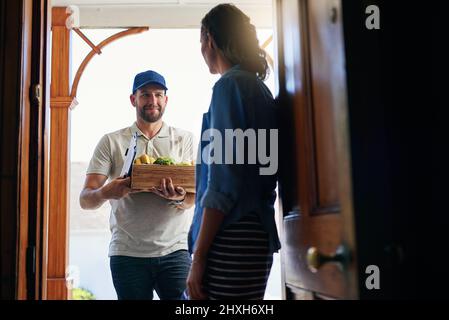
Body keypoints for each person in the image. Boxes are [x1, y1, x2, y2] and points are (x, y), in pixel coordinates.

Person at [186, 4, 280, 300]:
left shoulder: (228, 88)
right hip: (257, 233)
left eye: (200, 41)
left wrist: (198, 257)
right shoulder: (259, 90)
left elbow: (223, 184)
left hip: (230, 236)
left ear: (209, 39)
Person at [79, 70, 195, 300]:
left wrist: (178, 198)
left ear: (166, 100)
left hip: (175, 251)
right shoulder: (111, 141)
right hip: (127, 254)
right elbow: (85, 199)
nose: (153, 101)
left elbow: (195, 197)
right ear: (133, 99)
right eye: (145, 95)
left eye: (158, 94)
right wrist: (107, 192)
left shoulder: (185, 139)